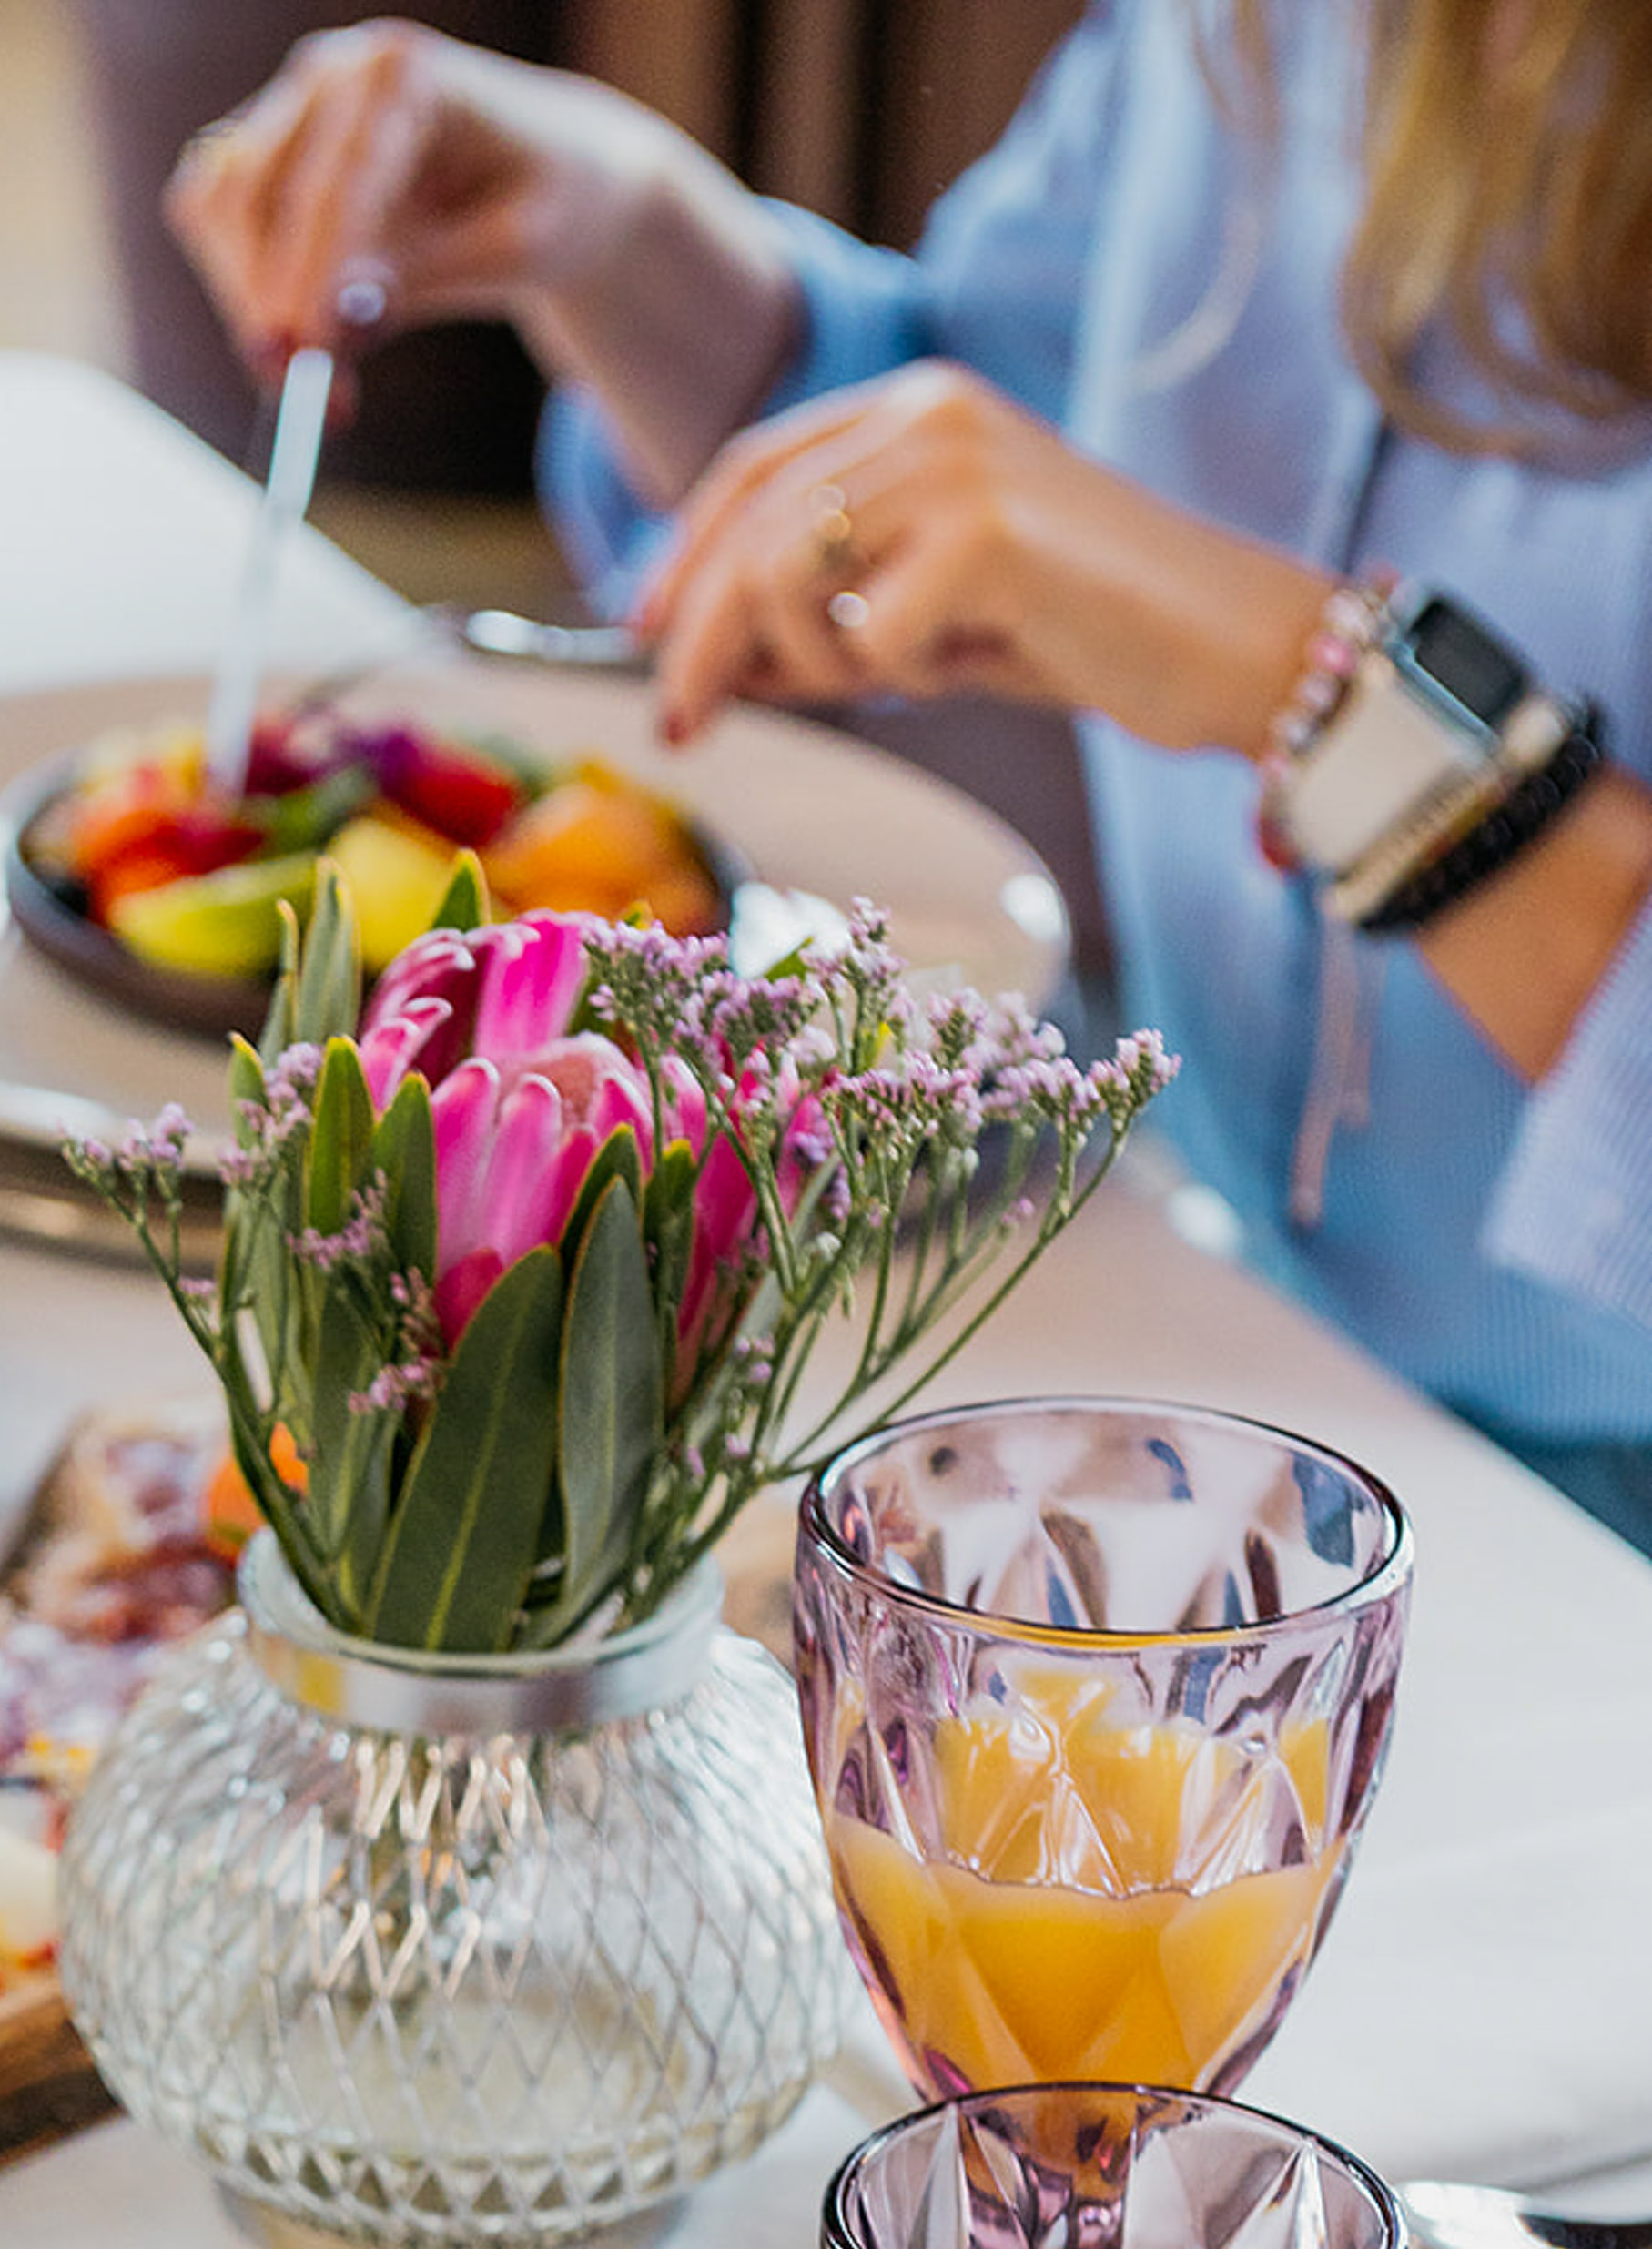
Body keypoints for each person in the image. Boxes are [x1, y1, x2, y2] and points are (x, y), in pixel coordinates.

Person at [168, 10, 1652, 1545]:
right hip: (1177, 1315)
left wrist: (1307, 689)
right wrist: (620, 232)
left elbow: (1123, 574)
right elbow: (990, 490)